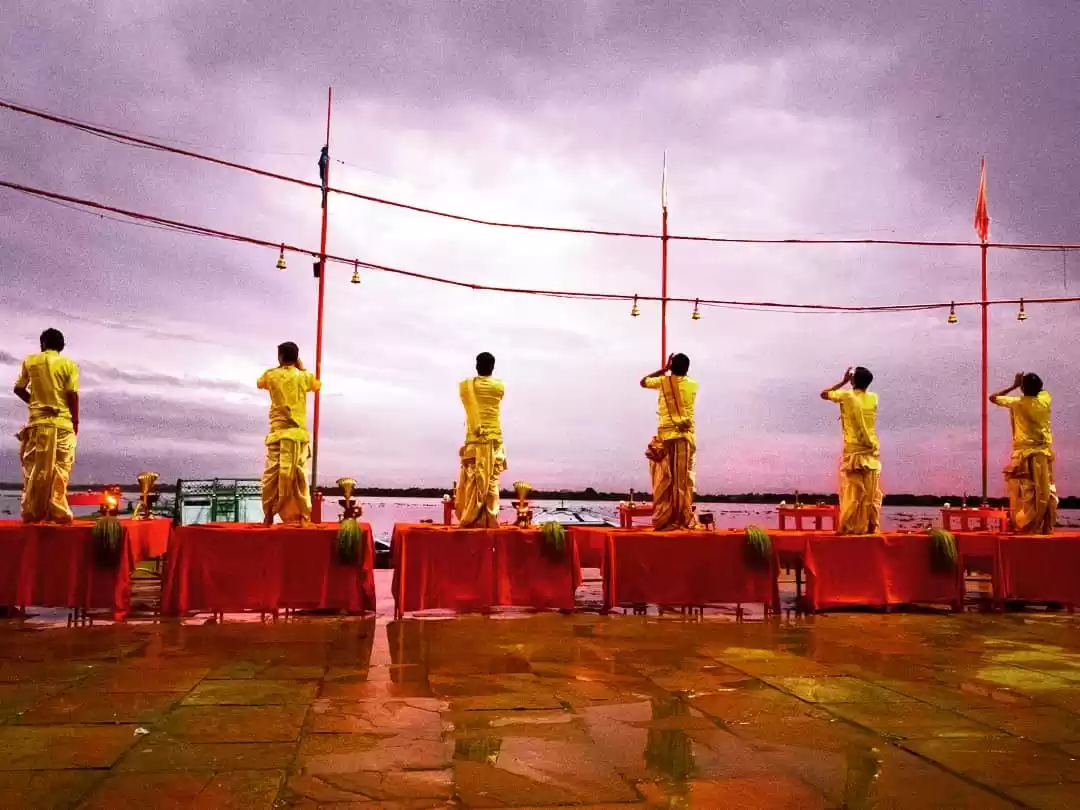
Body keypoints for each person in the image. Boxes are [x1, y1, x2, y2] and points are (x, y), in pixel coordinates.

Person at [13, 328, 79, 524]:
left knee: (35, 469)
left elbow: (18, 388)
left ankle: (33, 512)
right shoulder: (69, 364)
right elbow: (72, 395)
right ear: (61, 346)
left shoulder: (30, 361)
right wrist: (76, 421)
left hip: (38, 424)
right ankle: (58, 511)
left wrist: (36, 404)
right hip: (62, 424)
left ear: (42, 343)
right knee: (61, 468)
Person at [257, 342, 320, 525]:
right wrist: (301, 367)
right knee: (299, 477)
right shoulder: (304, 376)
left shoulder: (271, 375)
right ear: (296, 357)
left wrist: (280, 367)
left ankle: (268, 515)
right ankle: (304, 517)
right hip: (297, 436)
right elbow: (316, 385)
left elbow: (260, 383)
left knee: (272, 477)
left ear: (280, 356)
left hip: (279, 435)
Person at [990, 372, 1057, 534]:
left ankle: (1027, 526)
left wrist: (1014, 386)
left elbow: (993, 398)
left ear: (1022, 389)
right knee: (1046, 490)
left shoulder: (1018, 403)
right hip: (1044, 454)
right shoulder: (1045, 400)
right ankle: (1046, 526)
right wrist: (1025, 385)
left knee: (1027, 491)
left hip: (1025, 454)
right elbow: (1041, 390)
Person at [640, 353, 698, 530]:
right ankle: (682, 517)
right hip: (684, 438)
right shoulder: (693, 385)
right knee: (681, 482)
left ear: (671, 368)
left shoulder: (663, 382)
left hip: (666, 438)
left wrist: (663, 370)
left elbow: (643, 381)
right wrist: (670, 370)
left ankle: (665, 518)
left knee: (665, 479)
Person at [821, 366, 882, 534]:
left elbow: (824, 394)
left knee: (851, 490)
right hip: (871, 450)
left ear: (853, 380)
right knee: (869, 491)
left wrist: (843, 382)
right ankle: (869, 526)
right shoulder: (874, 398)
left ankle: (850, 526)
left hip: (853, 450)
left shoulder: (847, 395)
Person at [456, 352, 506, 528]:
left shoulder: (468, 386)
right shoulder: (499, 386)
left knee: (473, 478)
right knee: (491, 480)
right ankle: (490, 519)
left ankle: (471, 518)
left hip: (475, 440)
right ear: (493, 367)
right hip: (494, 440)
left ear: (477, 366)